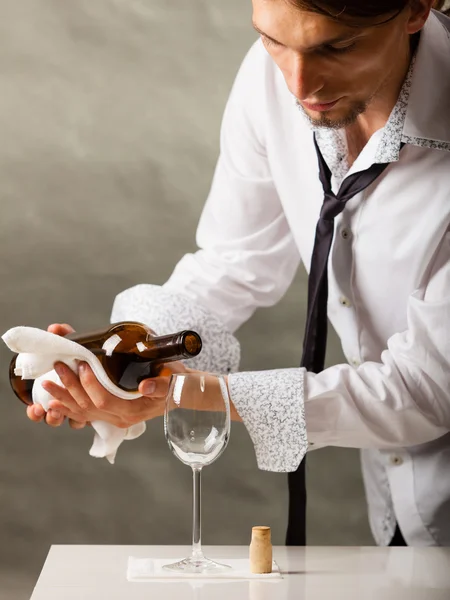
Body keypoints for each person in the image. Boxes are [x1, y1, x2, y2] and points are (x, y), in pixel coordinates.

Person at [27, 0, 450, 547]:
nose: (299, 84)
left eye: (336, 46)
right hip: (395, 502)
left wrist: (198, 393)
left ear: (415, 10)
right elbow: (234, 262)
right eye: (275, 40)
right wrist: (122, 360)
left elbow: (427, 389)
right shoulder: (268, 78)